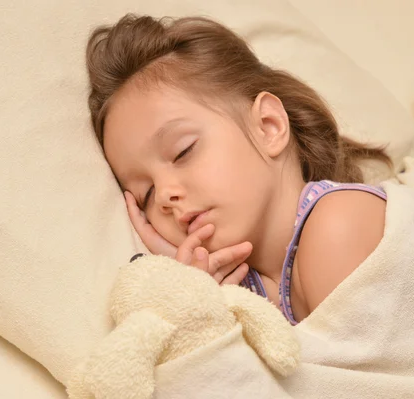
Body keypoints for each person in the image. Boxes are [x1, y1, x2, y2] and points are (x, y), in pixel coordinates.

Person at [86, 14, 391, 325]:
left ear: (268, 127)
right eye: (146, 195)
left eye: (182, 151)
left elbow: (367, 372)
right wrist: (194, 294)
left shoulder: (340, 222)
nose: (164, 195)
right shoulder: (240, 295)